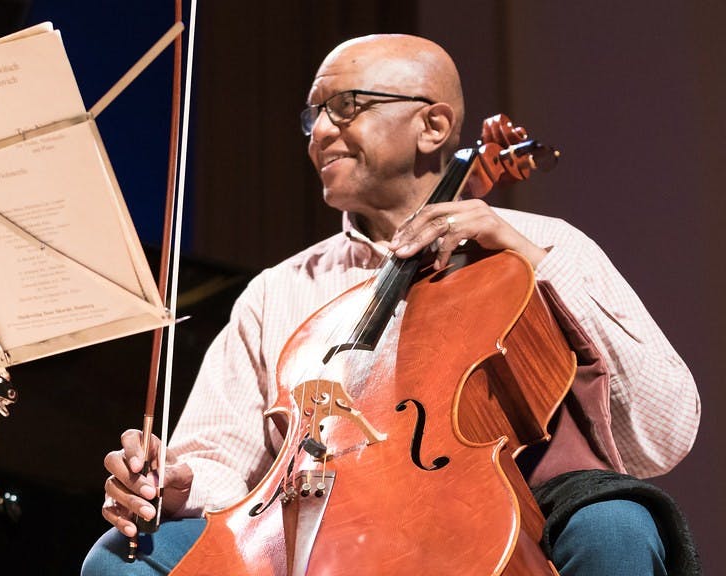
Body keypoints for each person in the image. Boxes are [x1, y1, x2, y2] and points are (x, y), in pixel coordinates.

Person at [82, 34, 700, 575]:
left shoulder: (544, 244)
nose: (321, 131)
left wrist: (529, 259)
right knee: (126, 556)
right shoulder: (278, 289)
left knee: (617, 526)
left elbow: (664, 431)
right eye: (313, 116)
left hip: (511, 498)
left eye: (345, 107)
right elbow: (220, 462)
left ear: (432, 126)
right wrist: (179, 482)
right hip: (314, 518)